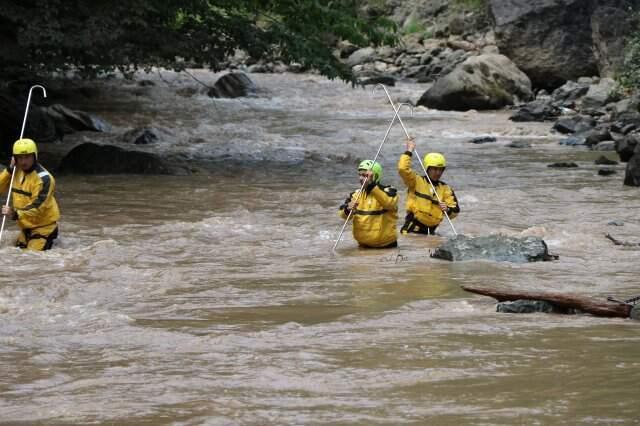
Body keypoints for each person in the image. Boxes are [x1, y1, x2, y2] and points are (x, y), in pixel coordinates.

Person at [0, 138, 60, 250]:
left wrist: (15, 214)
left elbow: (38, 207)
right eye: (20, 158)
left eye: (27, 157)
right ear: (15, 158)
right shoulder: (14, 172)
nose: (23, 162)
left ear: (35, 157)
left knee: (28, 259)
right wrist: (8, 171)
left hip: (44, 228)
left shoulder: (45, 179)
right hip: (26, 227)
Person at [397, 137, 459, 235]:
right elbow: (402, 169)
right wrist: (409, 150)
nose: (438, 172)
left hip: (431, 232)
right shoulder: (416, 181)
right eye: (434, 169)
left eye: (440, 169)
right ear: (428, 169)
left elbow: (455, 211)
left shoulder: (445, 188)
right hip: (412, 230)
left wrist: (447, 209)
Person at [339, 160, 398, 248]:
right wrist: (347, 209)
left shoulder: (389, 191)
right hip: (363, 247)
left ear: (375, 176)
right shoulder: (355, 194)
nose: (361, 178)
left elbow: (389, 203)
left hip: (386, 247)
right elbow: (342, 215)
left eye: (364, 175)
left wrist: (371, 186)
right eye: (360, 175)